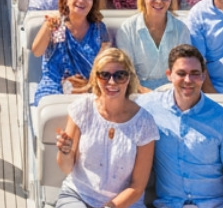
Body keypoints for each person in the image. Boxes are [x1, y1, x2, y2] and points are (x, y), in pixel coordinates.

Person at [140, 46, 223, 208]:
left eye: (195, 73)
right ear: (169, 75)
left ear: (203, 76)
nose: (188, 80)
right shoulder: (148, 107)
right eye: (181, 73)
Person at [53, 48, 158, 208]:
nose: (112, 82)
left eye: (120, 75)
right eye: (105, 75)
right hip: (79, 196)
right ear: (96, 78)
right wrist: (65, 153)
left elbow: (137, 187)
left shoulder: (144, 122)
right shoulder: (82, 108)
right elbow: (66, 168)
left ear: (129, 78)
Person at [32, 0, 108, 103]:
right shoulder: (55, 24)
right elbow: (37, 52)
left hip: (87, 88)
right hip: (54, 87)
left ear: (93, 3)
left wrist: (88, 86)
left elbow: (105, 63)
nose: (81, 0)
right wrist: (48, 27)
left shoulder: (99, 29)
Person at [112, 0, 188, 91]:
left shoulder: (181, 29)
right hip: (137, 93)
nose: (159, 1)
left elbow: (184, 69)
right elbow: (127, 71)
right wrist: (146, 94)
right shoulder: (127, 29)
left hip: (173, 92)